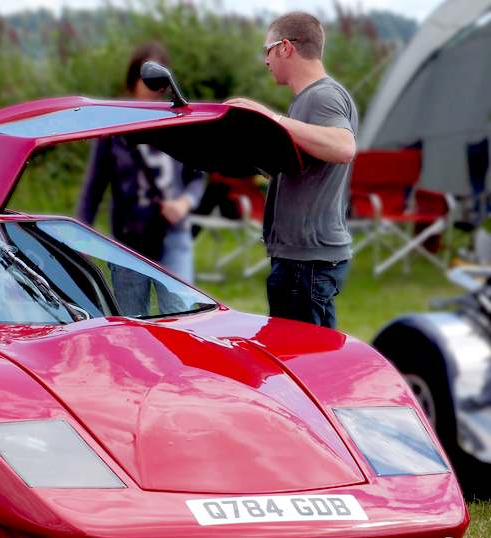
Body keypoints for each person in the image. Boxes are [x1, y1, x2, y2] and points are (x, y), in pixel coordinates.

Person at [225, 12, 357, 329]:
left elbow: (343, 147)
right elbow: (304, 168)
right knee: (316, 363)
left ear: (285, 47)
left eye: (267, 50)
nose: (265, 60)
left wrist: (272, 119)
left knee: (302, 364)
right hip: (305, 260)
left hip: (306, 263)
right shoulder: (308, 100)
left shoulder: (322, 96)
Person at [78, 42, 205, 315]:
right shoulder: (114, 127)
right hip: (128, 243)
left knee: (182, 319)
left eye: (159, 79)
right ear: (133, 80)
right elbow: (94, 188)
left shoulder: (180, 122)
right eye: (146, 78)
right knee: (132, 325)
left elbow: (198, 176)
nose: (154, 87)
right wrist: (79, 239)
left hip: (173, 238)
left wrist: (184, 202)